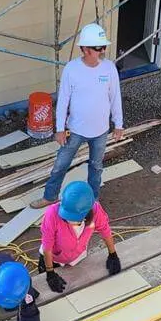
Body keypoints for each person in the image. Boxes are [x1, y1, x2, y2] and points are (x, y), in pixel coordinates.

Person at [30, 23, 124, 209]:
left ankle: (93, 200)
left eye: (104, 47)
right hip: (76, 129)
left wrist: (119, 123)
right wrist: (59, 129)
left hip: (100, 131)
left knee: (96, 167)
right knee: (60, 165)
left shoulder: (109, 68)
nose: (103, 51)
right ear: (85, 49)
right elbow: (63, 100)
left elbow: (115, 97)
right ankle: (50, 196)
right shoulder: (72, 69)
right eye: (99, 48)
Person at [38, 181, 121, 293]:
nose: (68, 221)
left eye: (74, 219)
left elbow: (105, 230)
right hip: (53, 260)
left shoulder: (95, 210)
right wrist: (50, 273)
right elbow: (47, 246)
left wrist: (113, 254)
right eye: (66, 217)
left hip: (78, 257)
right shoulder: (52, 214)